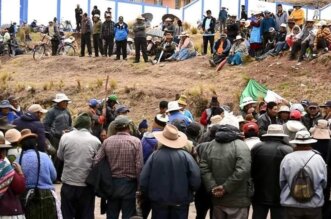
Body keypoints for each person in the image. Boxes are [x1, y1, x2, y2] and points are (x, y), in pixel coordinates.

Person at [139, 124, 201, 219]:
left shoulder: (154, 156)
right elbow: (196, 179)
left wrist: (147, 193)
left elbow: (143, 179)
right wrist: (190, 191)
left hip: (158, 200)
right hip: (180, 200)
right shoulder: (186, 156)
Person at [94, 116, 143, 219]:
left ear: (115, 127)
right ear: (128, 127)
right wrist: (139, 187)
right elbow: (139, 167)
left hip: (111, 185)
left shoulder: (107, 141)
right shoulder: (136, 142)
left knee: (111, 214)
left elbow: (96, 161)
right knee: (128, 215)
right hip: (130, 185)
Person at [200, 123, 251, 219]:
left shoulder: (210, 145)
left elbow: (203, 168)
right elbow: (243, 170)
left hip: (217, 198)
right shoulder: (241, 146)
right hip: (238, 200)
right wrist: (225, 188)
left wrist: (213, 187)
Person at [58, 113, 101, 219]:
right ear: (89, 125)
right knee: (85, 215)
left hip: (68, 183)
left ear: (76, 124)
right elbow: (97, 163)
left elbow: (60, 156)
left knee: (67, 214)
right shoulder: (95, 141)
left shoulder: (65, 137)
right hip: (86, 186)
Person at [280, 130, 327, 219]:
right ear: (310, 143)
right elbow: (324, 182)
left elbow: (282, 181)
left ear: (296, 143)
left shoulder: (287, 158)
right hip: (314, 204)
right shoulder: (318, 158)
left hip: (291, 205)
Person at [251, 124, 293, 219]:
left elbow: (251, 169)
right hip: (280, 194)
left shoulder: (257, 147)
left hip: (259, 192)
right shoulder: (288, 150)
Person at [17, 129, 58, 219]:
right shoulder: (44, 156)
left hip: (26, 197)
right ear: (35, 143)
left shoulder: (18, 159)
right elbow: (54, 176)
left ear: (21, 146)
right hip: (47, 196)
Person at [43, 93, 72, 182]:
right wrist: (54, 133)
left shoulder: (67, 111)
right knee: (56, 158)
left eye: (67, 102)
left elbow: (70, 124)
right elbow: (46, 125)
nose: (66, 103)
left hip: (66, 137)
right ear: (59, 102)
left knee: (65, 157)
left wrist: (69, 130)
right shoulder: (51, 112)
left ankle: (61, 176)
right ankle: (54, 177)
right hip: (55, 138)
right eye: (64, 102)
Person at [0, 135, 26, 219]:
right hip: (7, 211)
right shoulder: (5, 167)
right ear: (2, 152)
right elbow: (19, 188)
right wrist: (20, 173)